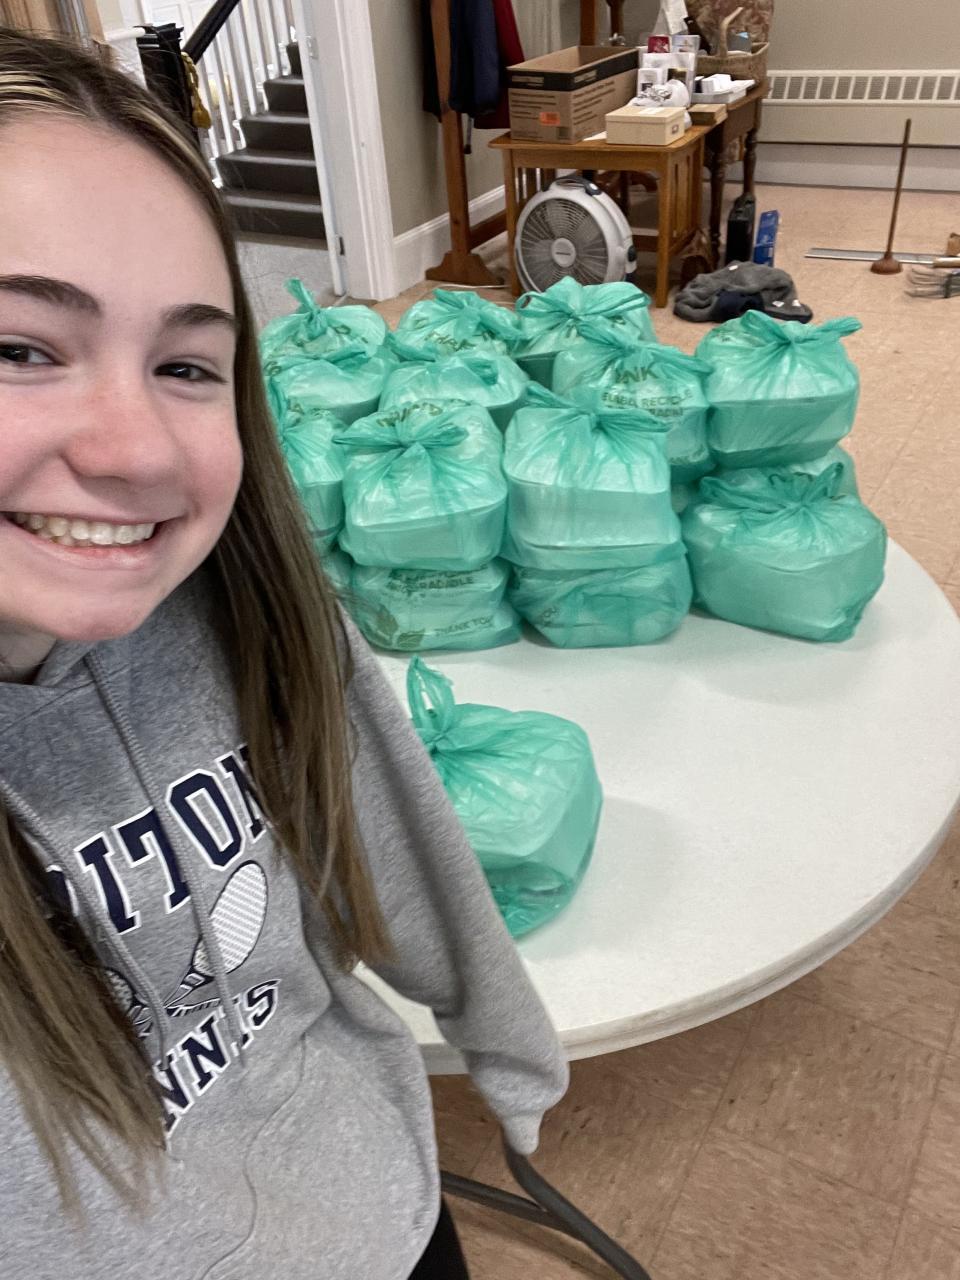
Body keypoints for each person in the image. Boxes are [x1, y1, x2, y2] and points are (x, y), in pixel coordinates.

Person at [0, 29, 568, 1279]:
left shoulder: (251, 610)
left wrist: (510, 1046)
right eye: (19, 347)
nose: (139, 450)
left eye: (186, 363)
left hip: (382, 1207)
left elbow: (397, 831)